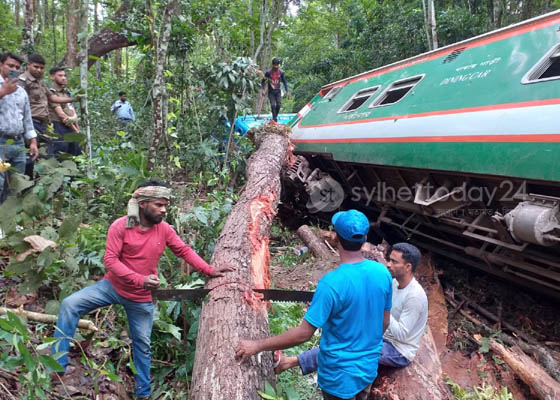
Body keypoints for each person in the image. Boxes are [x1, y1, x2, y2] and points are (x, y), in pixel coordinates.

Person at [51, 181, 235, 399]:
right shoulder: (120, 226)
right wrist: (139, 279)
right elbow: (110, 260)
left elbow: (183, 250)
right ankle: (56, 369)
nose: (164, 210)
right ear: (143, 204)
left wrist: (209, 269)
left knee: (143, 346)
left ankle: (143, 394)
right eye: (159, 205)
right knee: (69, 305)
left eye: (165, 205)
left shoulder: (164, 229)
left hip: (140, 298)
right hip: (112, 287)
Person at [236, 210, 393, 400]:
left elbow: (303, 334)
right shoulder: (382, 273)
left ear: (335, 237)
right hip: (367, 369)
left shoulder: (331, 283)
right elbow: (384, 323)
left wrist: (257, 345)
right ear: (365, 238)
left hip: (338, 379)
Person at [274, 242, 429, 377]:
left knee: (348, 348)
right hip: (382, 334)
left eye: (394, 262)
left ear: (408, 267)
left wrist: (381, 306)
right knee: (345, 334)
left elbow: (402, 333)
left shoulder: (414, 297)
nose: (388, 264)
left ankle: (289, 363)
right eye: (389, 260)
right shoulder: (394, 283)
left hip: (398, 350)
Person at [0, 52, 38, 204]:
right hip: (0, 142)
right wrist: (4, 92)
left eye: (17, 67)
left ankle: (9, 222)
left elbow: (27, 119)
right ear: (1, 65)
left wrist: (33, 142)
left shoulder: (21, 92)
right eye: (10, 65)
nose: (13, 69)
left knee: (16, 184)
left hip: (18, 143)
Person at [17, 54, 76, 138]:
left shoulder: (40, 82)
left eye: (41, 68)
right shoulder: (22, 81)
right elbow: (18, 104)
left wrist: (74, 99)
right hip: (31, 122)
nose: (39, 70)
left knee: (45, 149)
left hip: (44, 123)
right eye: (36, 67)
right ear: (28, 65)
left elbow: (52, 98)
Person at [48, 66, 80, 156]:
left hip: (71, 127)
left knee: (75, 152)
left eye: (64, 76)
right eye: (60, 75)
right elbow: (62, 115)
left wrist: (77, 129)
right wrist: (76, 130)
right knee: (61, 152)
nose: (63, 78)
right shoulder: (51, 92)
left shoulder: (67, 93)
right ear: (52, 77)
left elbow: (73, 111)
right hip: (58, 126)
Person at [261, 57, 289, 123]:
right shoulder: (268, 72)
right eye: (275, 65)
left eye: (277, 65)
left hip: (278, 91)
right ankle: (275, 120)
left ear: (279, 65)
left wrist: (287, 91)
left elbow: (284, 82)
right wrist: (263, 89)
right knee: (273, 105)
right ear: (273, 65)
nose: (276, 66)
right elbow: (263, 81)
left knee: (279, 104)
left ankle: (274, 118)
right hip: (271, 91)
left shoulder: (281, 72)